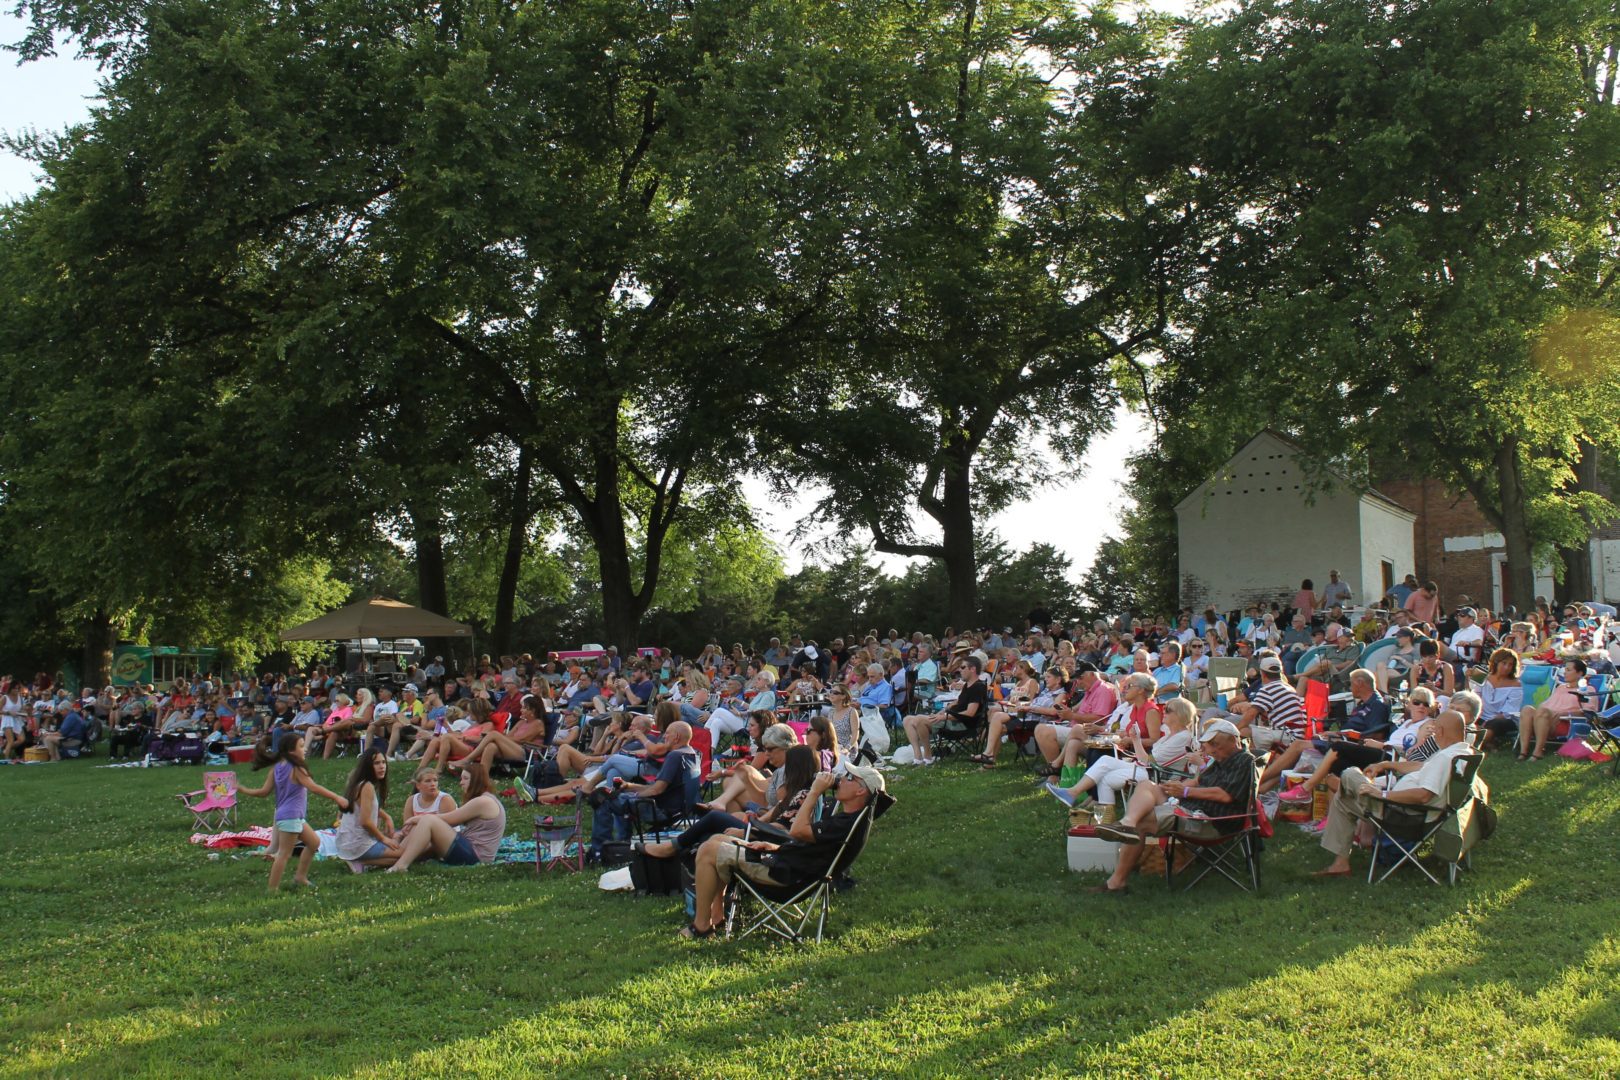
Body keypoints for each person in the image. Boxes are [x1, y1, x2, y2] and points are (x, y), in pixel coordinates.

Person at [679, 761, 886, 940]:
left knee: (708, 849)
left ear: (861, 791)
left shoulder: (845, 824)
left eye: (850, 777)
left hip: (785, 877)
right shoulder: (849, 820)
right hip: (785, 862)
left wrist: (814, 791)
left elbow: (797, 831)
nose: (842, 779)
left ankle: (701, 926)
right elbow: (810, 851)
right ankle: (716, 915)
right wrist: (777, 847)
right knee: (717, 839)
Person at [1088, 719, 1255, 895]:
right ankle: (1127, 822)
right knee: (1147, 785)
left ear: (1234, 740)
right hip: (1192, 808)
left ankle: (1116, 883)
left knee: (1142, 824)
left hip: (1211, 821)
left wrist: (1185, 792)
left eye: (1216, 745)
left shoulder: (1244, 760)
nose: (1212, 750)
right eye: (1210, 745)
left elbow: (1224, 795)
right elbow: (1198, 780)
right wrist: (1172, 788)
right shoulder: (1221, 760)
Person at [1312, 711, 1470, 877]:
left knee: (1350, 774)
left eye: (1435, 729)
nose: (1433, 734)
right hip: (1415, 813)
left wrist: (1382, 795)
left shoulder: (1445, 758)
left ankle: (1342, 789)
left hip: (1402, 816)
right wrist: (1386, 764)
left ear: (1441, 731)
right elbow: (1421, 767)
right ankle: (1340, 863)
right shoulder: (1461, 753)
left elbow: (1424, 795)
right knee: (1343, 800)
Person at [1048, 697, 1200, 811]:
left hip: (1156, 776)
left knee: (1106, 776)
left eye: (1167, 710)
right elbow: (1145, 760)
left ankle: (1104, 816)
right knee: (1105, 760)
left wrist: (1135, 739)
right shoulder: (1170, 735)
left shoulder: (1182, 737)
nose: (1163, 712)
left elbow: (1147, 760)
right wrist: (1134, 741)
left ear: (1179, 715)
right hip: (1147, 769)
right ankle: (1074, 794)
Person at [238, 734, 348, 892]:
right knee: (283, 854)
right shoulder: (297, 768)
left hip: (290, 817)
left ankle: (300, 877)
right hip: (291, 817)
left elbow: (263, 792)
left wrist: (243, 789)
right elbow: (313, 787)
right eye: (301, 746)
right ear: (291, 751)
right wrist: (337, 797)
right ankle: (272, 889)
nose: (305, 749)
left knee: (314, 843)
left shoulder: (276, 768)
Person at [589, 721, 701, 858]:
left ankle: (599, 851)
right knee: (617, 795)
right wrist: (629, 786)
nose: (664, 737)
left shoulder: (674, 756)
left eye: (667, 734)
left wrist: (634, 795)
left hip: (661, 811)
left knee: (601, 798)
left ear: (676, 737)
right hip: (681, 812)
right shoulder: (692, 755)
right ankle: (623, 841)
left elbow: (656, 791)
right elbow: (660, 788)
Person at [386, 762, 508, 870]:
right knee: (416, 848)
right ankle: (377, 859)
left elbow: (450, 820)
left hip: (475, 856)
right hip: (468, 848)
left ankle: (401, 865)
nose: (461, 783)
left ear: (476, 780)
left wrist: (417, 818)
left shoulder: (483, 802)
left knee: (428, 820)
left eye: (465, 778)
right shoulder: (485, 799)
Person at [902, 655, 989, 766]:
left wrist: (945, 716)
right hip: (951, 719)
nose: (959, 670)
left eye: (963, 667)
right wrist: (943, 711)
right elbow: (957, 702)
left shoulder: (978, 687)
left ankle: (928, 758)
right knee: (907, 719)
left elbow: (970, 713)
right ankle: (918, 757)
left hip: (961, 725)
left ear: (972, 669)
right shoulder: (968, 685)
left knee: (919, 719)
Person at [333, 748, 402, 872]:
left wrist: (386, 816)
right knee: (406, 855)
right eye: (376, 763)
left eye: (383, 762)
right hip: (358, 845)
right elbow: (365, 821)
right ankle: (361, 862)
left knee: (403, 854)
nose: (382, 767)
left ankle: (360, 862)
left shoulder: (360, 784)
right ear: (367, 766)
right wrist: (383, 839)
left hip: (346, 843)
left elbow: (366, 807)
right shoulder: (367, 786)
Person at [1517, 657, 1593, 761]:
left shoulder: (1588, 690)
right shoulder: (1561, 688)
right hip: (1545, 718)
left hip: (1564, 722)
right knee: (1527, 709)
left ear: (1580, 673)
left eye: (1569, 670)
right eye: (1565, 670)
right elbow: (1546, 704)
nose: (1565, 673)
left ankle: (1538, 752)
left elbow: (1588, 713)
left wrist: (1563, 713)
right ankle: (1523, 752)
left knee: (1543, 712)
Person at [1477, 648, 1524, 750]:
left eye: (1510, 664)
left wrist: (1488, 721)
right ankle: (1488, 743)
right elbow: (1474, 697)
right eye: (1504, 663)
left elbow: (1509, 711)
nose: (1507, 667)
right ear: (1495, 662)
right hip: (1481, 715)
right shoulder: (1481, 676)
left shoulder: (1516, 684)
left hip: (1502, 719)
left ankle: (1476, 745)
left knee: (1494, 724)